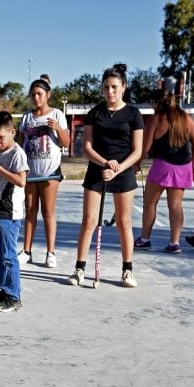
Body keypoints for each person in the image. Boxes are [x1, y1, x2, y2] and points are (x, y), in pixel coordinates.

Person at [67, 63, 144, 288]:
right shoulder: (95, 113)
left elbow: (137, 150)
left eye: (114, 87)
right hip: (97, 170)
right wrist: (104, 164)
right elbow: (87, 148)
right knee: (89, 221)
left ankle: (127, 271)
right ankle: (79, 269)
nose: (110, 92)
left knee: (123, 222)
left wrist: (118, 168)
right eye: (106, 87)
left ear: (123, 88)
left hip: (124, 171)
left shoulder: (133, 113)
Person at [134, 89, 194, 253]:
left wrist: (137, 164)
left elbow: (146, 147)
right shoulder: (185, 118)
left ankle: (145, 239)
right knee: (176, 205)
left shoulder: (156, 119)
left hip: (162, 166)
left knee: (150, 203)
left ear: (156, 103)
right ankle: (174, 243)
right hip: (183, 166)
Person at [17, 74, 69, 267]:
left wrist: (57, 128)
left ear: (48, 95)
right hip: (30, 171)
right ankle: (27, 250)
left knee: (48, 211)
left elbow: (66, 142)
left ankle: (50, 252)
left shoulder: (57, 115)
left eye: (39, 94)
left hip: (50, 171)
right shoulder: (26, 117)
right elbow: (19, 144)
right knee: (30, 210)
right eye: (33, 95)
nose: (36, 98)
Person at [0, 111, 28, 312]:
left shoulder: (18, 153)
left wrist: (0, 169)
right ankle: (4, 290)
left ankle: (13, 296)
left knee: (9, 255)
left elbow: (21, 181)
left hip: (10, 212)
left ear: (12, 132)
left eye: (1, 137)